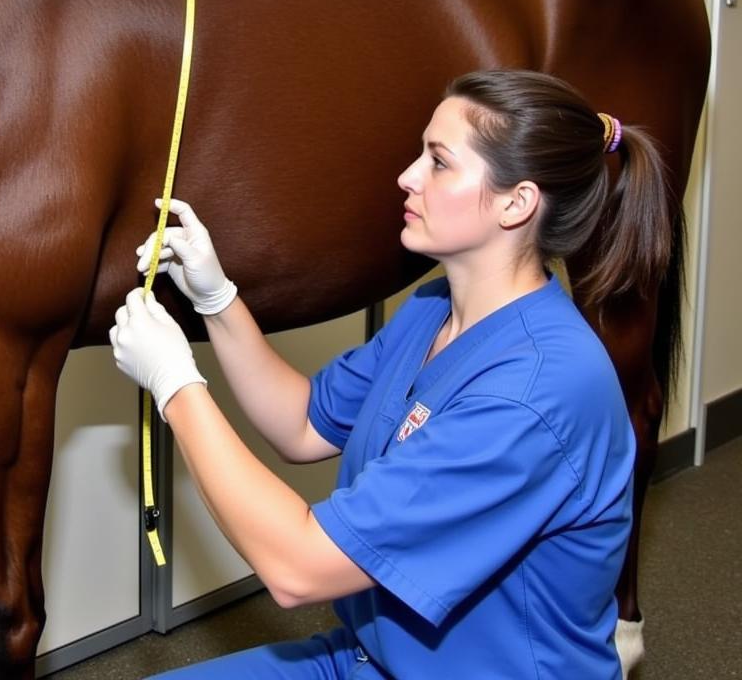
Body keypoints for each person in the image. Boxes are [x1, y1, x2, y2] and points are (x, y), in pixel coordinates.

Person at [110, 69, 671, 680]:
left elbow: (297, 568)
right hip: (371, 658)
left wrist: (175, 385)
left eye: (438, 162)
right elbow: (301, 424)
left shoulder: (538, 391)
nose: (407, 176)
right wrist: (218, 300)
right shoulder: (432, 311)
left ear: (518, 202)